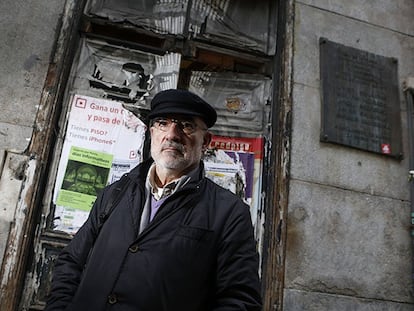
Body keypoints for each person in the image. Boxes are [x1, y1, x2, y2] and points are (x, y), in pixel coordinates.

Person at [45, 89, 262, 311]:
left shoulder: (228, 212)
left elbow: (240, 300)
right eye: (162, 123)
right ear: (152, 133)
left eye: (186, 125)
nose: (172, 134)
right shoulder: (114, 193)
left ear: (205, 140)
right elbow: (71, 262)